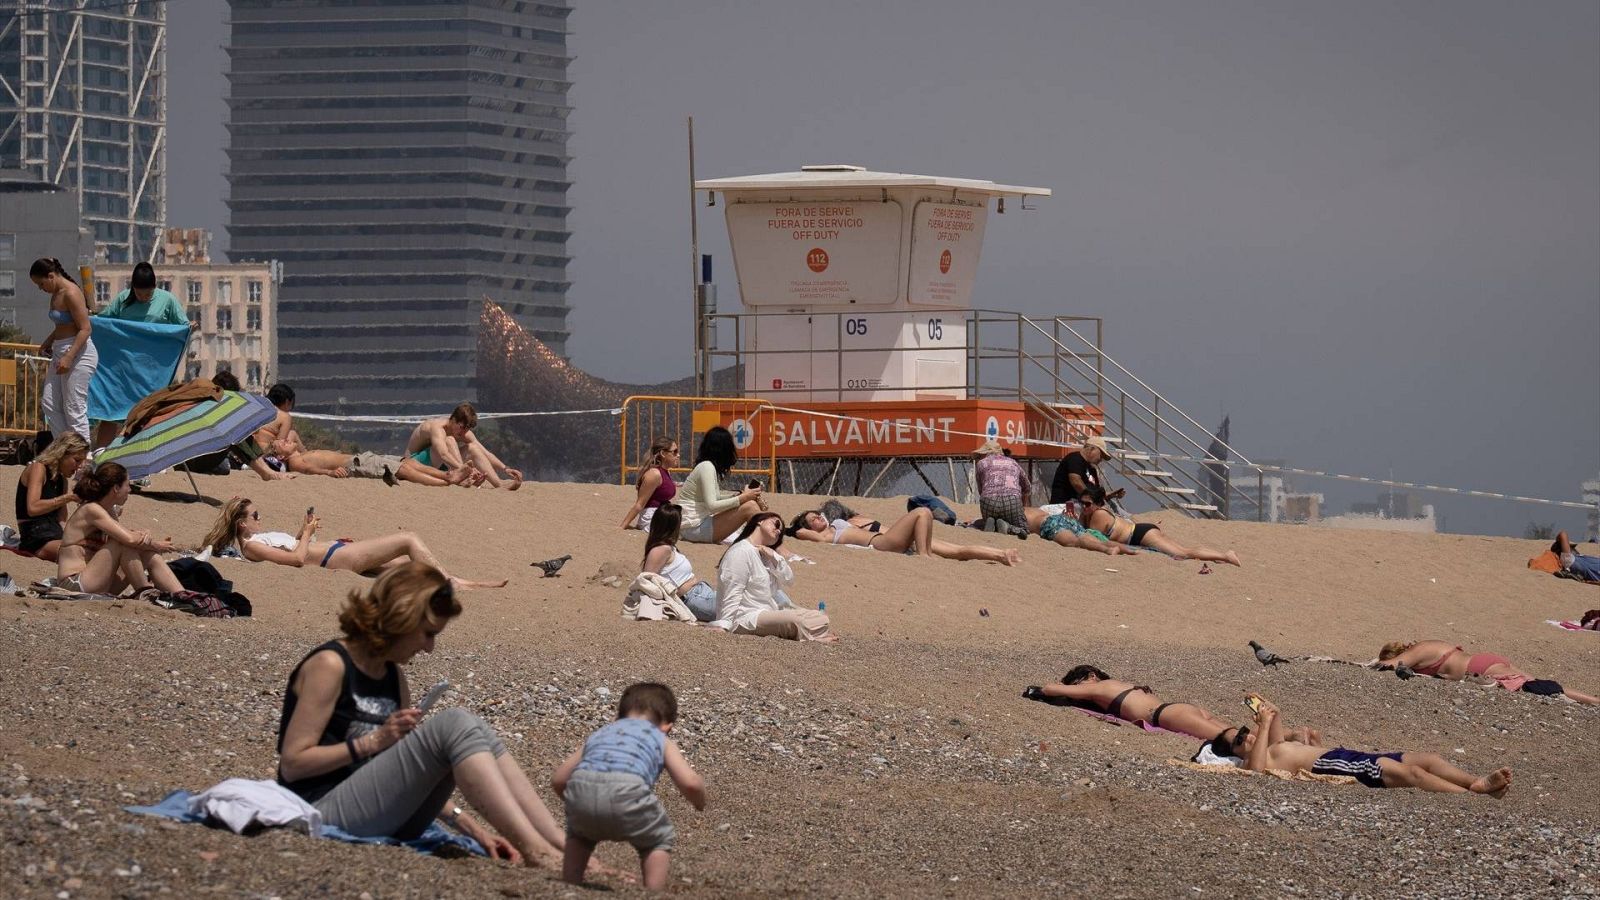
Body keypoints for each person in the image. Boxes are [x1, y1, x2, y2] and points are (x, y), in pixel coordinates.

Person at [276, 562, 581, 870]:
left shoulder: (393, 677)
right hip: (319, 810)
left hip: (380, 813)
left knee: (472, 729)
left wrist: (473, 829)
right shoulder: (330, 665)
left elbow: (404, 776)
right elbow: (293, 765)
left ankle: (557, 842)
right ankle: (536, 850)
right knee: (453, 723)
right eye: (428, 634)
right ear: (402, 618)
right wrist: (373, 742)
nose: (430, 648)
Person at [552, 682, 706, 889]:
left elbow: (559, 779)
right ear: (667, 727)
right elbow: (691, 784)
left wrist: (579, 802)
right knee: (658, 840)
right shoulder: (660, 738)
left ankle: (571, 883)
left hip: (582, 791)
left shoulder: (601, 733)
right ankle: (652, 892)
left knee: (579, 836)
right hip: (627, 791)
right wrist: (700, 802)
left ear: (617, 718)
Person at [201, 498, 506, 589]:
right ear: (242, 524)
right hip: (336, 559)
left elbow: (293, 548)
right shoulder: (252, 547)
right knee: (408, 539)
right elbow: (297, 560)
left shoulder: (259, 540)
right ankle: (452, 583)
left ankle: (458, 581)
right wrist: (307, 534)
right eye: (255, 515)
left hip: (336, 552)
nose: (260, 517)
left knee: (407, 565)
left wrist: (304, 530)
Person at [1224, 700, 1512, 797]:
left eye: (1245, 732)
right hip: (1337, 764)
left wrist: (1267, 711)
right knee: (1413, 774)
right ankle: (1471, 797)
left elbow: (1275, 720)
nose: (1246, 738)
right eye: (1238, 741)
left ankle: (1474, 782)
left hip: (1348, 756)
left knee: (1429, 760)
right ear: (1234, 754)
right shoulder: (1255, 762)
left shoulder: (1273, 746)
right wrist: (1262, 729)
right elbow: (1256, 772)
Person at [91, 262, 191, 447]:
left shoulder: (167, 300)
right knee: (111, 411)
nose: (143, 298)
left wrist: (190, 328)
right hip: (122, 369)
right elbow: (103, 321)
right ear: (132, 289)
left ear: (155, 287)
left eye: (148, 294)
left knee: (147, 413)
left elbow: (183, 326)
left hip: (151, 371)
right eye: (139, 294)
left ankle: (143, 453)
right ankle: (101, 453)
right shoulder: (123, 299)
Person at [56, 462, 184, 595]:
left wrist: (146, 539)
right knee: (122, 543)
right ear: (116, 488)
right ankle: (144, 591)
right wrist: (155, 543)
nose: (129, 490)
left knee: (148, 554)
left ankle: (182, 595)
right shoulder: (91, 509)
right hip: (74, 583)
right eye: (127, 485)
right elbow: (128, 539)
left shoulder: (108, 510)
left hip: (98, 580)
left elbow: (127, 536)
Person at [1022, 665, 1239, 741]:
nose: (1078, 693)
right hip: (1179, 710)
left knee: (1231, 741)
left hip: (1166, 715)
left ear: (1091, 676)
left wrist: (1058, 689)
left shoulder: (1099, 687)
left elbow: (1050, 689)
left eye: (1078, 685)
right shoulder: (1120, 686)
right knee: (1238, 736)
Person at [716, 513, 835, 642]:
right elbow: (733, 590)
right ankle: (814, 637)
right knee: (796, 620)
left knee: (819, 617)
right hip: (747, 617)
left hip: (768, 611)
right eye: (776, 524)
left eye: (781, 533)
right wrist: (724, 624)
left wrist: (775, 557)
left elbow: (789, 579)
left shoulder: (766, 555)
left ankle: (812, 631)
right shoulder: (740, 551)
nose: (778, 531)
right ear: (760, 521)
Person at [1376, 639, 1597, 704]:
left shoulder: (1419, 650)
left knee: (1532, 686)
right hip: (1482, 661)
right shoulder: (1428, 646)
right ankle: (1595, 700)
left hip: (1476, 668)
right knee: (1535, 682)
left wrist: (1375, 663)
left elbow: (1391, 664)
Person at [785, 507, 1021, 566]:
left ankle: (1001, 555)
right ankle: (924, 556)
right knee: (922, 512)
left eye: (818, 514)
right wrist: (796, 526)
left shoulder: (838, 523)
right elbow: (798, 532)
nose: (819, 518)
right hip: (881, 543)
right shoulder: (825, 538)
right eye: (813, 519)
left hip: (890, 538)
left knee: (956, 551)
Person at [1079, 485, 1240, 566]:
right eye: (1082, 503)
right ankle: (1217, 556)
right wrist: (1081, 514)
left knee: (1183, 553)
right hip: (1140, 532)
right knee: (1184, 550)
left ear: (1098, 503)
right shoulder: (1089, 513)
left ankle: (1226, 556)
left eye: (1087, 504)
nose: (1084, 507)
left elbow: (1094, 538)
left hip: (1140, 534)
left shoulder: (1099, 514)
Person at [29, 257, 98, 441]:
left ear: (51, 276)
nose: (41, 288)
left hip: (78, 353)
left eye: (41, 283)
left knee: (74, 407)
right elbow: (62, 325)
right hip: (61, 351)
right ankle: (66, 447)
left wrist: (69, 356)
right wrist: (48, 342)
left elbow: (85, 329)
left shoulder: (71, 293)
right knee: (50, 403)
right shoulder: (56, 293)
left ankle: (82, 452)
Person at [674, 426, 762, 543]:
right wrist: (743, 498)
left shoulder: (706, 466)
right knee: (750, 506)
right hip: (693, 527)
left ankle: (762, 539)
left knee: (749, 504)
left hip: (693, 525)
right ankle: (768, 542)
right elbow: (712, 505)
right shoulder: (707, 467)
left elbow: (715, 497)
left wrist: (739, 495)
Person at [404, 403, 522, 490]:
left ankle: (499, 485)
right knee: (449, 440)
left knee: (473, 448)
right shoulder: (437, 427)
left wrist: (505, 468)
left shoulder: (463, 432)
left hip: (438, 465)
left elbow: (485, 452)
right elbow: (443, 454)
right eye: (461, 427)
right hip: (413, 464)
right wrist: (465, 469)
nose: (463, 432)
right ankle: (463, 477)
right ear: (453, 419)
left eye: (466, 429)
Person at [13, 433, 88, 560]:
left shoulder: (62, 480)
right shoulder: (38, 468)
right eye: (77, 460)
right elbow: (33, 508)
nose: (80, 465)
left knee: (98, 550)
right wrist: (67, 498)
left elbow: (62, 521)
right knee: (80, 554)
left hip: (55, 533)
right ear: (62, 453)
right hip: (36, 537)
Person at [640, 503, 718, 622]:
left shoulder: (669, 547)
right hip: (693, 598)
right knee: (740, 609)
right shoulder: (661, 550)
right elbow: (646, 582)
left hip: (701, 593)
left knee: (743, 600)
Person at [1027, 502, 1135, 557]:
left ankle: (1107, 550)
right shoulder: (1031, 508)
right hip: (1060, 518)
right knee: (1099, 540)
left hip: (1049, 523)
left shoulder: (1019, 513)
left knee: (1075, 542)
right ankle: (1130, 551)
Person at [620, 437, 679, 530]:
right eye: (674, 452)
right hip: (652, 518)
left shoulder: (666, 472)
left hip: (662, 515)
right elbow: (639, 504)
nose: (678, 455)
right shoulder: (654, 474)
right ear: (663, 454)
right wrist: (622, 527)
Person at [973, 440, 1029, 537]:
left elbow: (981, 490)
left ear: (986, 453)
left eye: (980, 455)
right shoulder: (1013, 462)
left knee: (988, 518)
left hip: (988, 501)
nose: (979, 457)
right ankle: (1008, 527)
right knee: (1023, 529)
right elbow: (1027, 487)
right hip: (1012, 500)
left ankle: (992, 522)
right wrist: (1022, 505)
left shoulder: (981, 463)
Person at [1050, 436, 1125, 505]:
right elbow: (1076, 481)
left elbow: (1096, 495)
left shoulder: (1092, 469)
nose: (1101, 459)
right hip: (1065, 506)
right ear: (1092, 449)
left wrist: (1111, 495)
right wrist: (1092, 498)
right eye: (1101, 455)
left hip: (1083, 507)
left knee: (1114, 506)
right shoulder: (1075, 459)